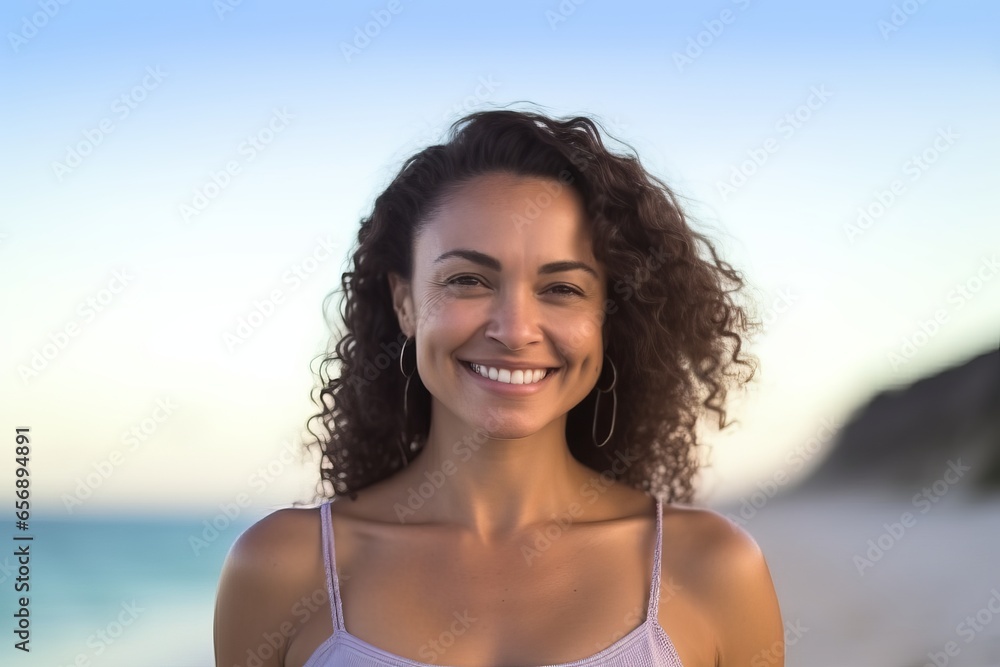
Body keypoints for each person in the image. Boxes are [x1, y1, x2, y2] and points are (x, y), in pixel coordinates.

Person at [214, 107, 784, 667]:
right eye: (468, 280)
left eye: (561, 288)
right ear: (405, 302)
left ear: (609, 316)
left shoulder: (712, 569)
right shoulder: (284, 569)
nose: (514, 331)